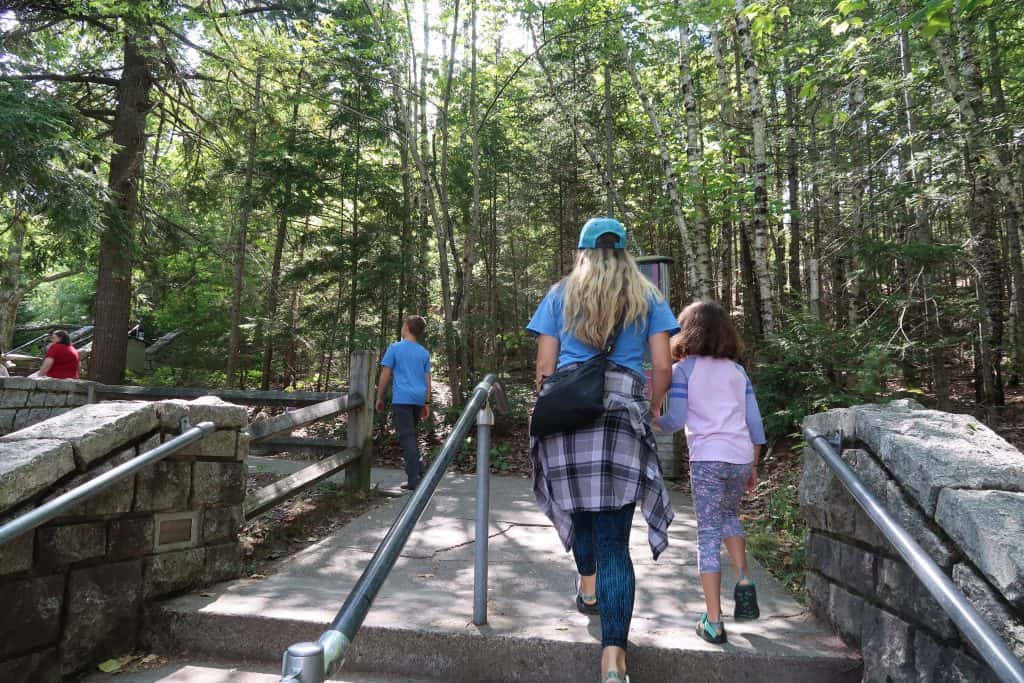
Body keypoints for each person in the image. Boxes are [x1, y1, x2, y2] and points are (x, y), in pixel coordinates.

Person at [527, 217, 678, 683]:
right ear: (624, 251)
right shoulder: (648, 298)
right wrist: (648, 409)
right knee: (616, 538)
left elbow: (545, 366)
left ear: (583, 251)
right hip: (623, 415)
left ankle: (587, 587)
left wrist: (550, 401)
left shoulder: (560, 295)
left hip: (570, 413)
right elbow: (662, 366)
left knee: (581, 513)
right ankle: (613, 658)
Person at [655, 300, 766, 645]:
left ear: (687, 331)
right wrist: (753, 464)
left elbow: (675, 421)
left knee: (707, 535)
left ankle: (714, 622)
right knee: (729, 514)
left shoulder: (684, 371)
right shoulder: (737, 372)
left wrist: (653, 417)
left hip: (708, 460)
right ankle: (744, 577)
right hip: (740, 456)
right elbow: (755, 425)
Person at [375, 315, 432, 491]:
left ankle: (414, 480)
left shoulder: (395, 348)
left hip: (402, 398)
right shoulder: (423, 353)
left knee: (406, 437)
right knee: (412, 436)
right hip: (418, 398)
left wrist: (379, 397)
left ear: (406, 327)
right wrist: (427, 403)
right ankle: (420, 471)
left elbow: (385, 374)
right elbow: (428, 380)